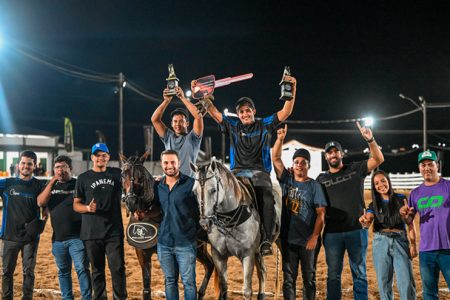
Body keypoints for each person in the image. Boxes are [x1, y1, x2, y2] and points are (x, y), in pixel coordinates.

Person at [204, 74, 297, 255]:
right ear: (238, 114)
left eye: (248, 110)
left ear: (254, 111)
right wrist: (203, 94)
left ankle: (267, 240)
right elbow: (213, 112)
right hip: (237, 173)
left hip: (259, 173)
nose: (245, 114)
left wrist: (292, 89)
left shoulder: (265, 124)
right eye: (241, 112)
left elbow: (286, 112)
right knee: (216, 195)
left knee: (268, 199)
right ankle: (215, 233)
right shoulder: (232, 125)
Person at [316, 122, 384, 300]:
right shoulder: (321, 179)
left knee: (359, 273)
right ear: (326, 156)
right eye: (329, 152)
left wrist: (370, 140)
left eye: (335, 151)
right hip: (332, 234)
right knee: (333, 276)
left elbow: (378, 160)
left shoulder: (355, 169)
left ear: (341, 153)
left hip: (356, 230)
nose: (333, 154)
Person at [272, 125, 327, 300]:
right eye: (297, 162)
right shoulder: (286, 180)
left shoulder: (314, 186)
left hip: (308, 242)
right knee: (289, 279)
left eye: (303, 162)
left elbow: (321, 215)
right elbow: (276, 157)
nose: (300, 165)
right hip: (288, 239)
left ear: (309, 166)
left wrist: (314, 237)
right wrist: (280, 139)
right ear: (293, 164)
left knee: (308, 278)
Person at [73, 143, 127, 300]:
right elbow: (76, 205)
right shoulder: (83, 178)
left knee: (117, 268)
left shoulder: (117, 174)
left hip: (114, 231)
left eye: (104, 155)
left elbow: (132, 185)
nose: (100, 158)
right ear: (92, 157)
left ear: (109, 157)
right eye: (97, 155)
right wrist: (88, 209)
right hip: (91, 232)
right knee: (97, 270)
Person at [37, 155, 92, 300]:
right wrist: (53, 181)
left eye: (63, 167)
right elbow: (41, 202)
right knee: (63, 272)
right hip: (58, 239)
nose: (60, 170)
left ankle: (87, 298)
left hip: (78, 237)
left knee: (82, 270)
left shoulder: (78, 184)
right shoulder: (50, 186)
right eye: (57, 167)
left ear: (70, 168)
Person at [400, 150, 450, 300]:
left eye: (430, 164)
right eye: (423, 165)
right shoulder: (415, 193)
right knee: (429, 294)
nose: (427, 168)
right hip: (426, 251)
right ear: (419, 168)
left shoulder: (448, 186)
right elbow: (409, 221)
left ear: (437, 166)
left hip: (448, 249)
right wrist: (405, 216)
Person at [359, 170, 416, 300]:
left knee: (406, 282)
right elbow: (368, 220)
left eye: (383, 181)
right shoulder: (373, 204)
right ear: (374, 186)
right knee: (384, 283)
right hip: (381, 243)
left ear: (388, 181)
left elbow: (409, 223)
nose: (381, 185)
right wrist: (365, 222)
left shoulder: (401, 199)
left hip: (400, 242)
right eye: (376, 183)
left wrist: (413, 244)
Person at [0, 150, 46, 300]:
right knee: (7, 272)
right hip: (9, 236)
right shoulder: (7, 183)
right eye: (23, 163)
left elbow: (45, 206)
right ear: (18, 165)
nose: (26, 166)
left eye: (29, 164)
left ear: (34, 165)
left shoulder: (39, 185)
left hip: (30, 238)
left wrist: (44, 219)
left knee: (29, 272)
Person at [156, 150, 199, 300]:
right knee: (170, 282)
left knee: (189, 283)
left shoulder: (191, 184)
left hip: (185, 243)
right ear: (161, 164)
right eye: (166, 163)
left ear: (179, 163)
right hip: (164, 243)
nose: (169, 166)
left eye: (173, 162)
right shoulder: (158, 187)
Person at [151, 86, 203, 177]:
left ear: (187, 123)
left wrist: (182, 97)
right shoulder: (168, 136)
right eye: (175, 121)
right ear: (171, 123)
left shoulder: (193, 138)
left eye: (181, 121)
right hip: (170, 183)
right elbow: (154, 119)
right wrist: (166, 101)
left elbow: (198, 116)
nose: (177, 124)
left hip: (188, 184)